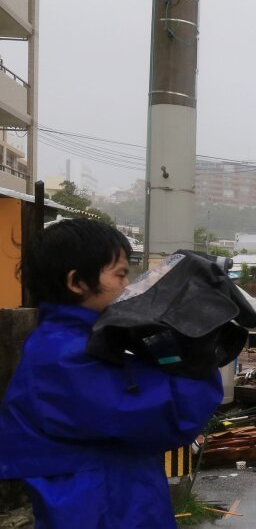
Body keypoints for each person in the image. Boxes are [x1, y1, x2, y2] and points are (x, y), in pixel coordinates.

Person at [0, 218, 222, 528]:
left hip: (111, 503)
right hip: (105, 512)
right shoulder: (64, 358)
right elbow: (168, 416)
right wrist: (197, 354)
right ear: (77, 282)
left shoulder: (80, 342)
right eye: (119, 275)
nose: (126, 286)